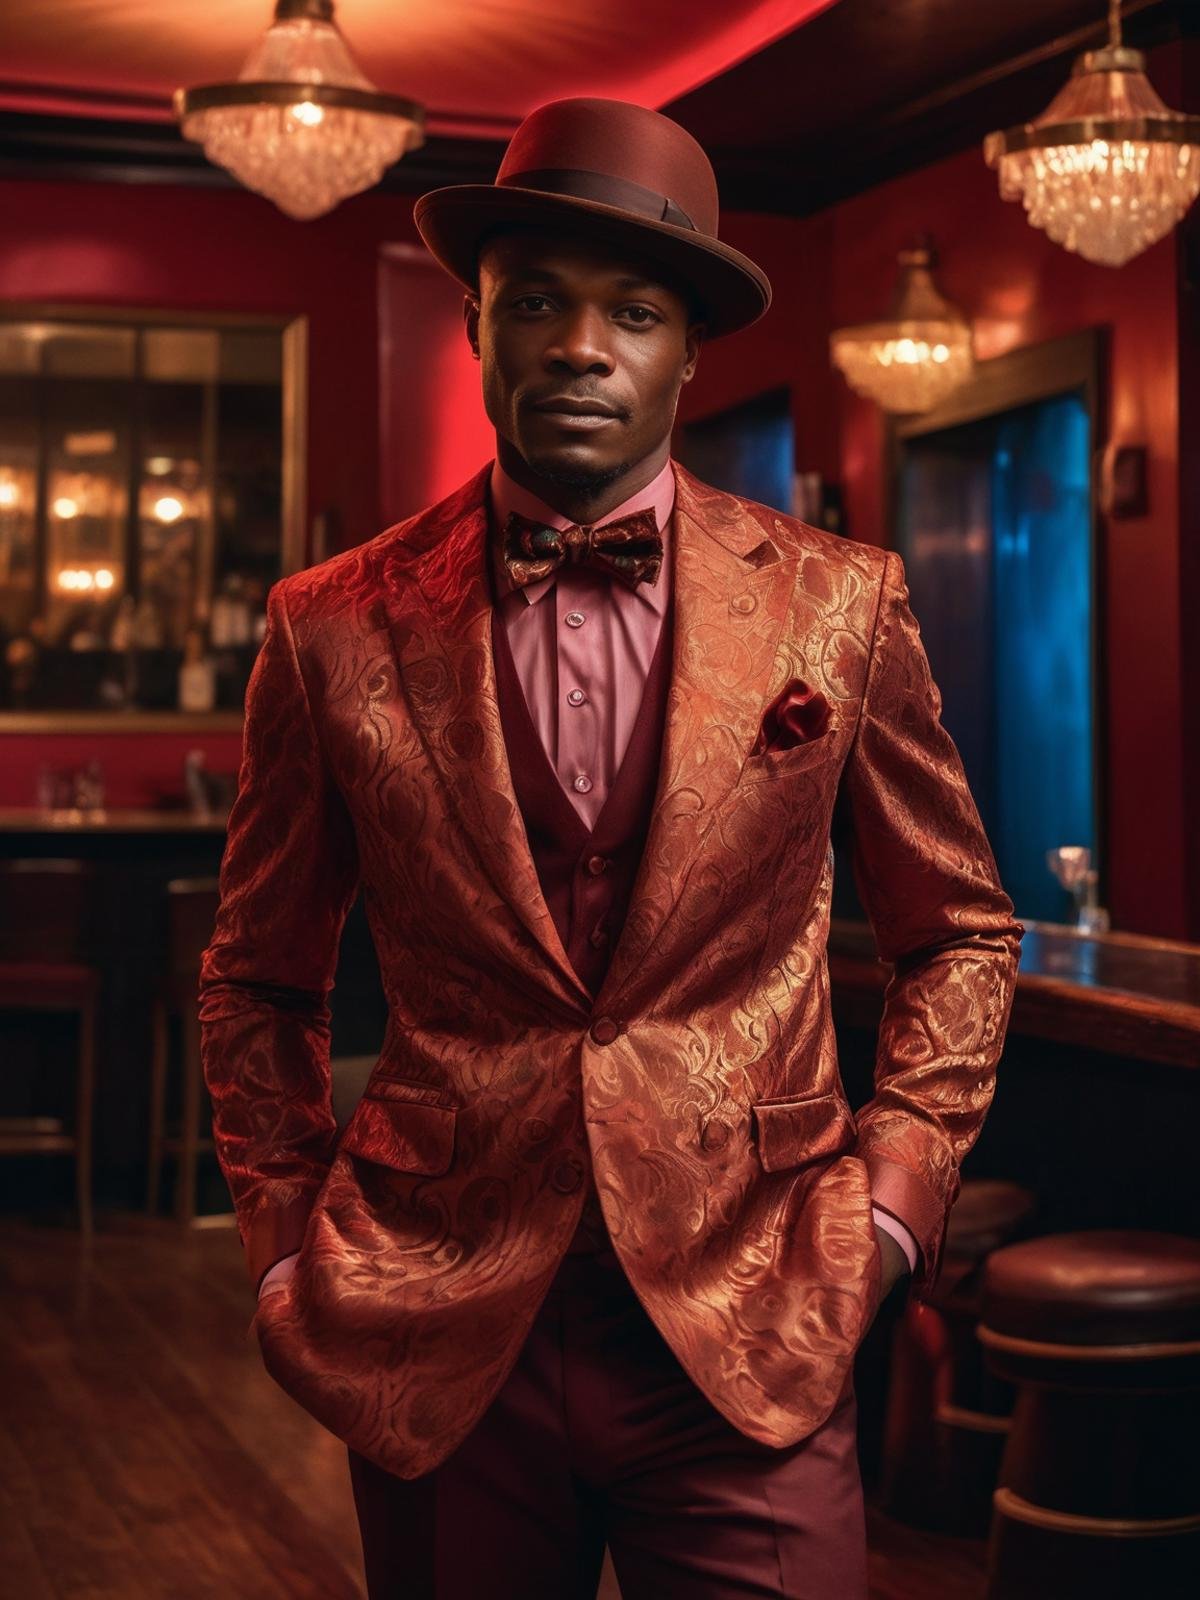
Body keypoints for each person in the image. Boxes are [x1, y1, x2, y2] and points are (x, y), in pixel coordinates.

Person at [199, 97, 1023, 1599]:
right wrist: (281, 1245)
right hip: (441, 1324)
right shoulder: (327, 628)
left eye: (632, 311)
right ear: (475, 326)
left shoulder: (838, 606)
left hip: (756, 1310)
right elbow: (257, 981)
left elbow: (958, 933)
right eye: (538, 304)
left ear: (687, 349)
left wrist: (891, 1210)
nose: (582, 347)